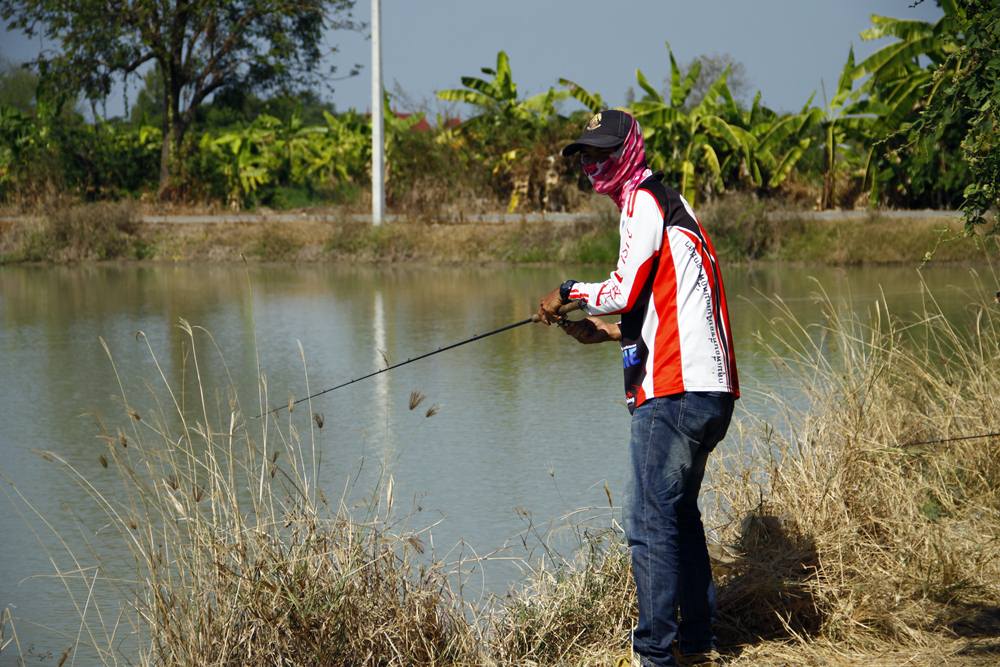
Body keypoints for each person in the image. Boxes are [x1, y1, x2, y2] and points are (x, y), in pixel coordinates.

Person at [536, 109, 739, 667]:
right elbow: (654, 300)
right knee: (677, 514)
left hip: (675, 390)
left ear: (629, 151)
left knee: (648, 521)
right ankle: (698, 644)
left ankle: (653, 654)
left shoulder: (643, 200)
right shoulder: (668, 205)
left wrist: (565, 290)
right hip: (708, 392)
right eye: (586, 156)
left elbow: (624, 288)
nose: (594, 165)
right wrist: (608, 334)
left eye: (602, 153)